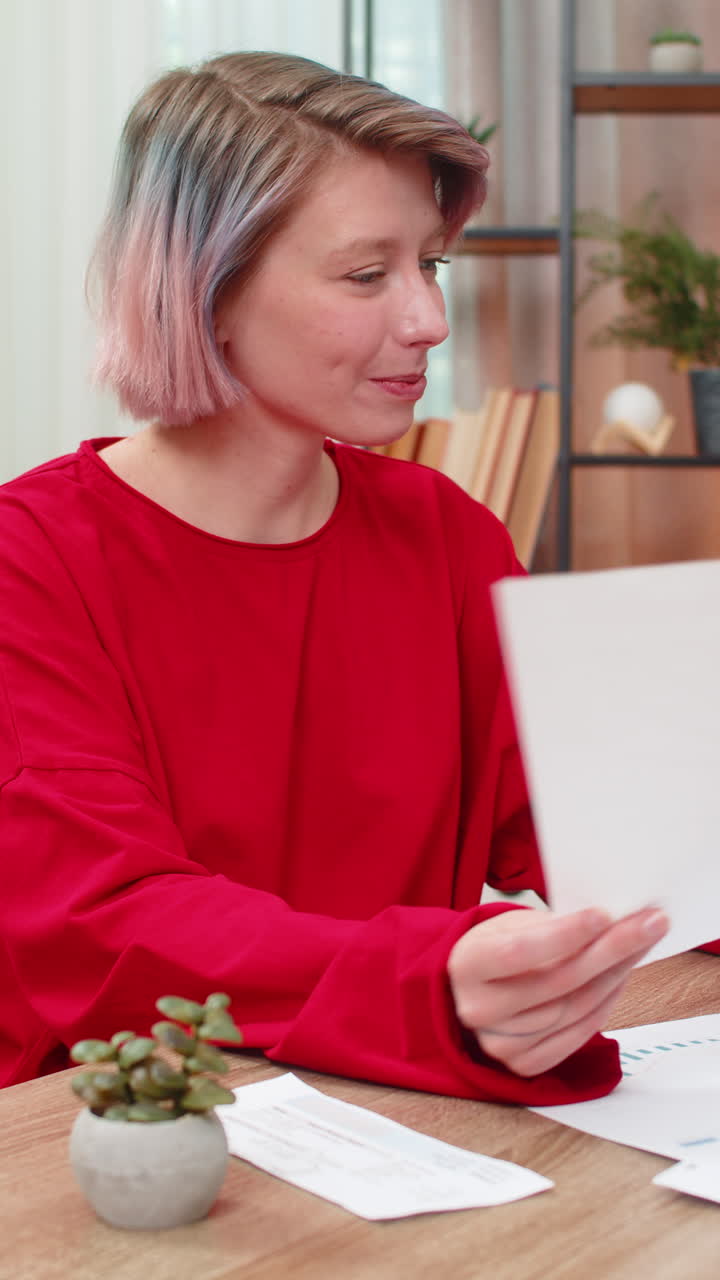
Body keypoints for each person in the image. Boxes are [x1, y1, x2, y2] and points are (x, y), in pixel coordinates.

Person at [0, 51, 668, 1098]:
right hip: (123, 1145)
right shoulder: (31, 562)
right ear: (205, 291)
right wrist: (429, 977)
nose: (429, 322)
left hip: (403, 1124)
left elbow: (617, 829)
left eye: (431, 266)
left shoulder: (446, 534)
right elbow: (107, 925)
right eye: (368, 275)